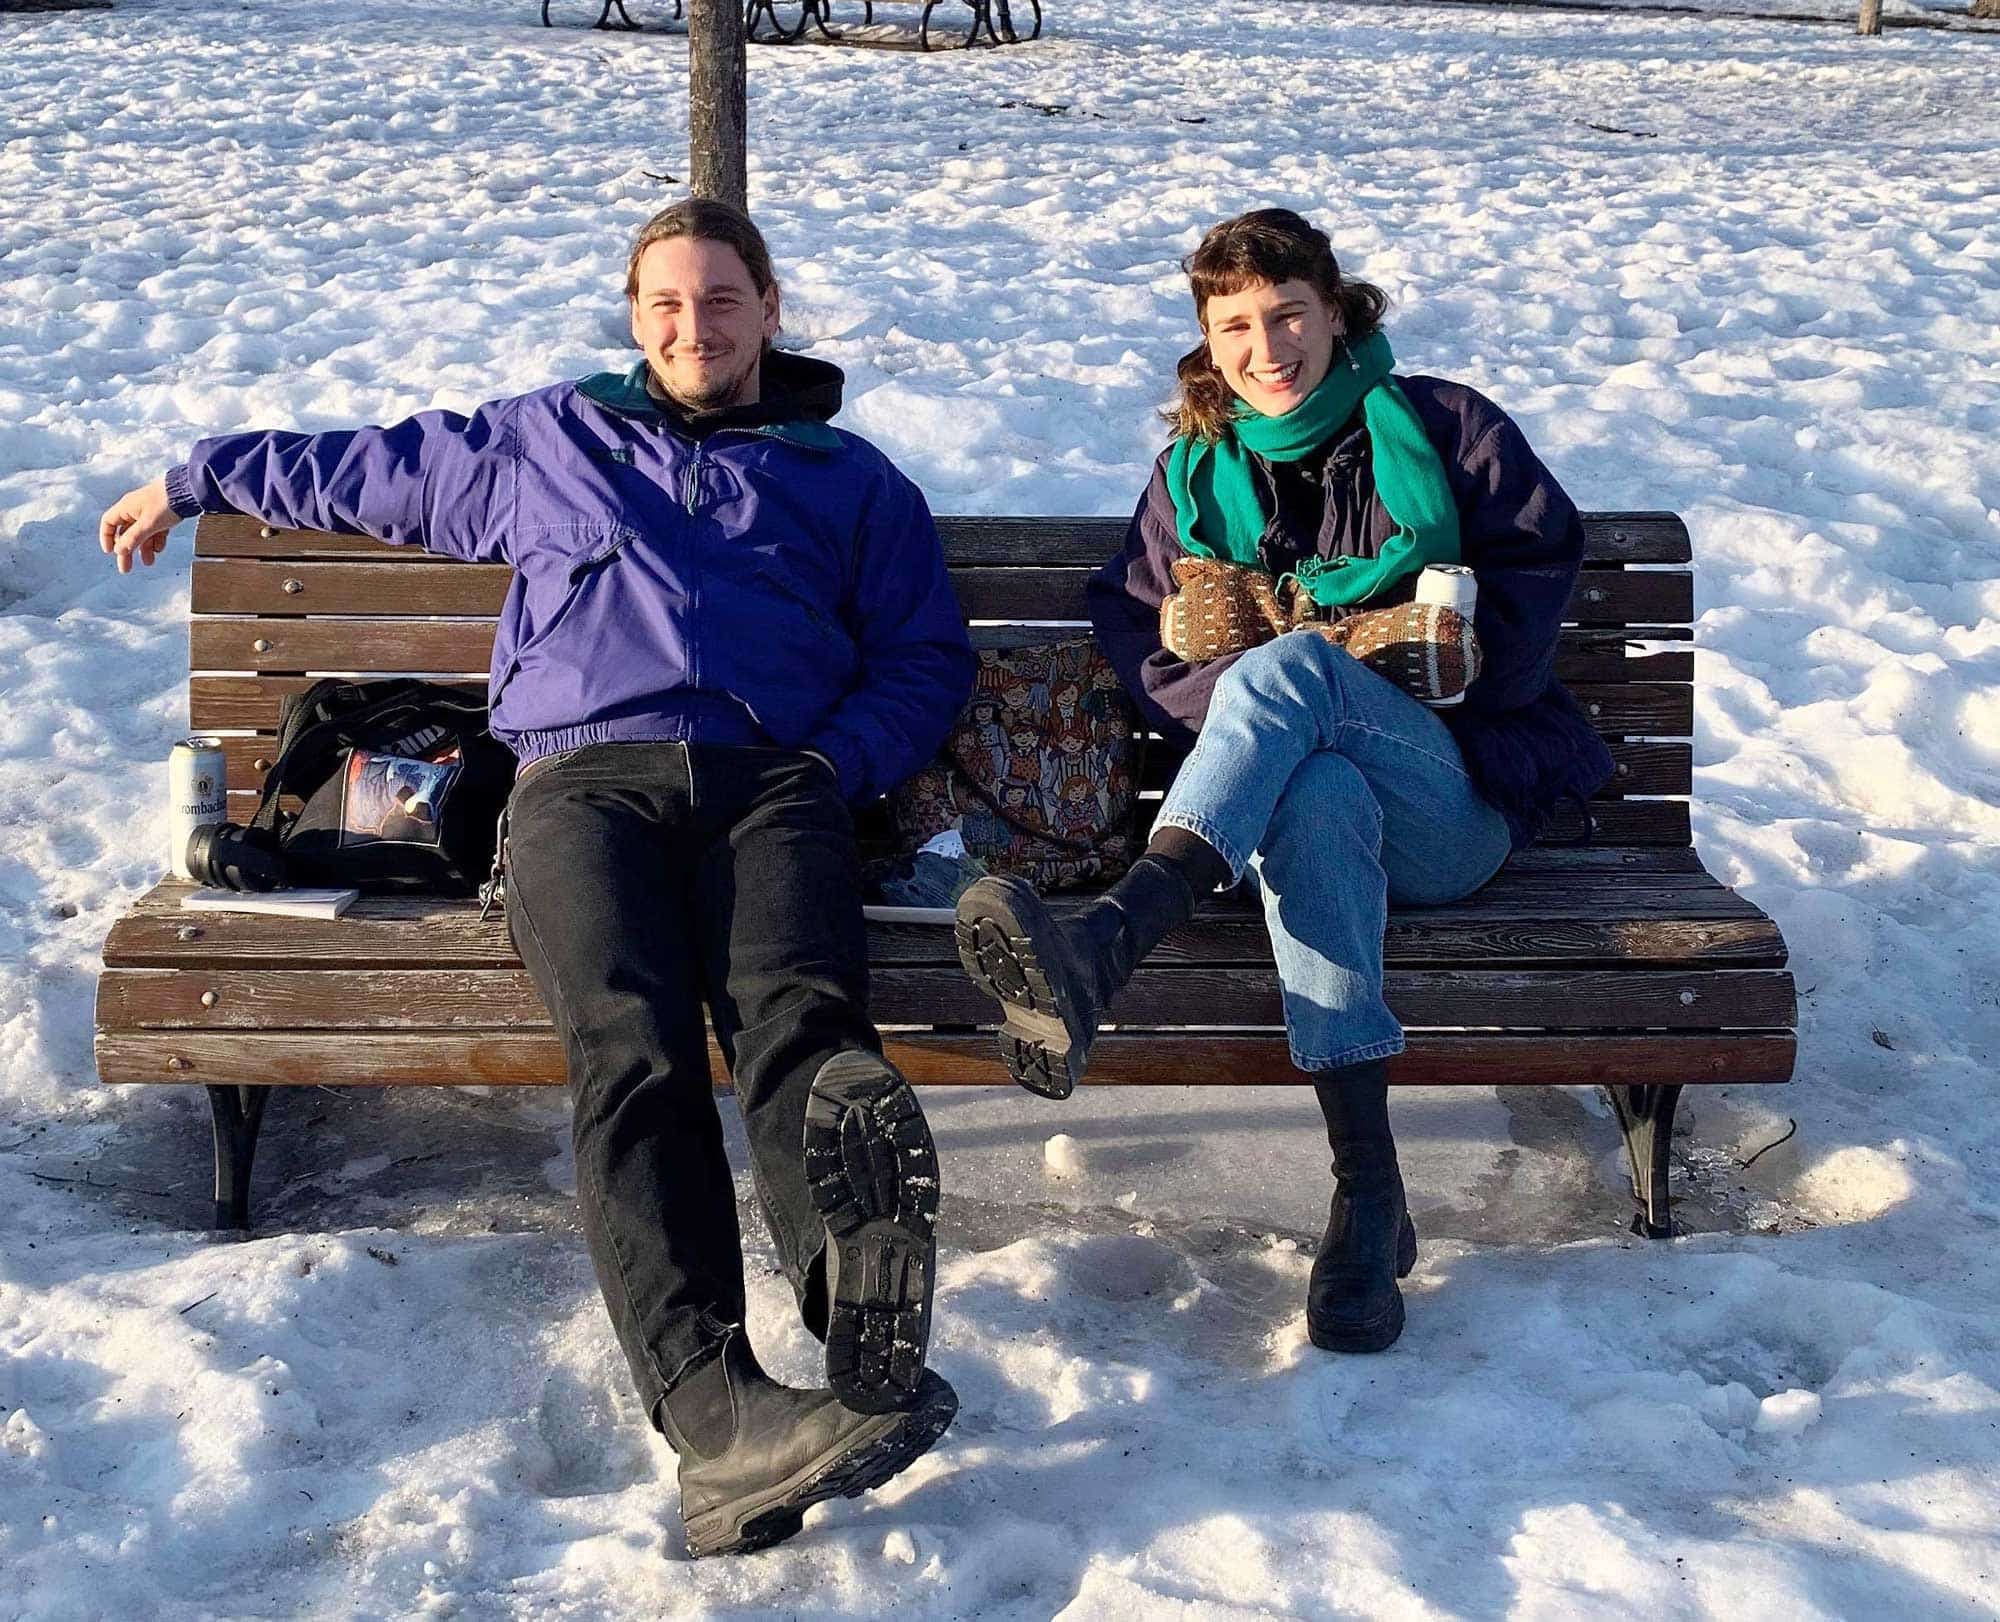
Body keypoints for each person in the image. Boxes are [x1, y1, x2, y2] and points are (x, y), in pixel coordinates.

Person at [99, 200, 977, 1557]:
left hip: (771, 784)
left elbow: (924, 657)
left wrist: (829, 763)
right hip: (578, 786)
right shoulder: (549, 441)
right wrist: (198, 475)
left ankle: (854, 1320)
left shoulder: (848, 479)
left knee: (804, 1030)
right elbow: (370, 469)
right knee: (631, 1048)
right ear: (634, 317)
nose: (695, 326)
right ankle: (717, 1418)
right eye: (667, 302)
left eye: (722, 299)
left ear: (769, 309)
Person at [955, 208, 1612, 1355]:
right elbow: (1145, 643)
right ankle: (1367, 1196)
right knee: (1308, 790)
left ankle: (1115, 932)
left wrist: (1413, 651)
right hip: (1296, 815)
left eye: (1287, 315)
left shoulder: (1445, 428)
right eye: (1235, 326)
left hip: (1449, 803)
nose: (1266, 348)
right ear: (1207, 341)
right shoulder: (1190, 474)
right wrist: (1269, 701)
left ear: (1335, 310)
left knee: (1287, 668)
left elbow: (1530, 590)